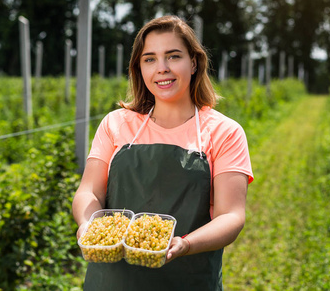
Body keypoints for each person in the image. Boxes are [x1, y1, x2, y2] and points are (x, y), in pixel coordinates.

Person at [72, 15, 254, 291]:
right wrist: (89, 225)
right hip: (111, 281)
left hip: (187, 278)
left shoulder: (224, 132)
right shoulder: (116, 123)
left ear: (193, 63)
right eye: (150, 59)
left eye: (173, 56)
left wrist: (185, 243)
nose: (162, 69)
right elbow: (89, 192)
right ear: (139, 68)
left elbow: (231, 216)